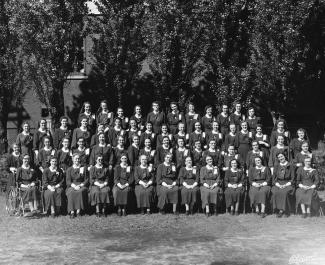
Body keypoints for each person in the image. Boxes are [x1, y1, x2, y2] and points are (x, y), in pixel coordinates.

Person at [271, 153, 295, 217]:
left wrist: (286, 185)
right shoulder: (276, 166)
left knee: (284, 192)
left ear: (285, 156)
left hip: (288, 183)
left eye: (282, 156)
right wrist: (278, 185)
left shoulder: (291, 165)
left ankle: (284, 210)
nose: (281, 158)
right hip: (278, 183)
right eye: (279, 157)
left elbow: (293, 178)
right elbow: (274, 178)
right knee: (275, 192)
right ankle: (277, 209)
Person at [66, 153, 89, 218]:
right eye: (76, 158)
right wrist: (74, 186)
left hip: (81, 185)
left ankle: (78, 211)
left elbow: (86, 179)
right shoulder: (69, 169)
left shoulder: (83, 168)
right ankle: (72, 211)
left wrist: (80, 185)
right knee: (71, 192)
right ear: (73, 159)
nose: (77, 160)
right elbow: (68, 181)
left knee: (80, 192)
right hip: (72, 185)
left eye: (78, 158)